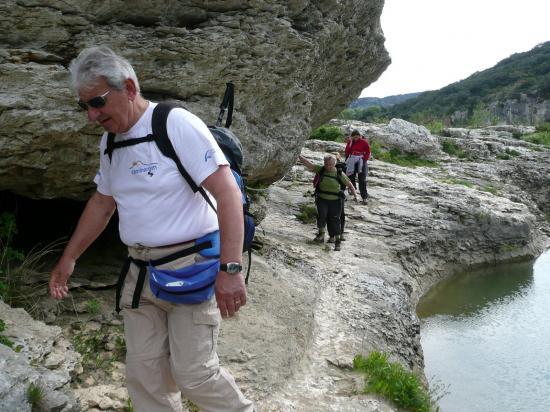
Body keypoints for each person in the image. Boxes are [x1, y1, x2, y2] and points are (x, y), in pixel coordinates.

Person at [49, 46, 253, 412]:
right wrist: (69, 258)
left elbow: (228, 195)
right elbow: (102, 203)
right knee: (145, 377)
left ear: (128, 88)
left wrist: (231, 269)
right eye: (85, 106)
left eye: (97, 102)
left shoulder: (175, 124)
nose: (92, 115)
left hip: (192, 269)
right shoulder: (110, 141)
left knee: (194, 375)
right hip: (139, 274)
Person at [299, 154, 357, 251]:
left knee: (335, 219)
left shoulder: (339, 173)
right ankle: (321, 235)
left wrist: (355, 195)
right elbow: (309, 165)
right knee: (321, 216)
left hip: (335, 201)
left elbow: (349, 184)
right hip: (322, 198)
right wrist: (299, 156)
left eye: (330, 164)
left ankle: (337, 241)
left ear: (334, 164)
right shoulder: (321, 169)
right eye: (326, 164)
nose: (328, 166)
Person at [345, 129, 371, 204]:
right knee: (351, 176)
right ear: (352, 137)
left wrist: (364, 160)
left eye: (357, 137)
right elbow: (347, 151)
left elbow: (368, 152)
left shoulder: (364, 142)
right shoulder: (350, 142)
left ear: (359, 136)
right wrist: (347, 160)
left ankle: (364, 197)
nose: (356, 138)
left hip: (361, 160)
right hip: (352, 159)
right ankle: (353, 192)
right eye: (354, 137)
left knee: (362, 179)